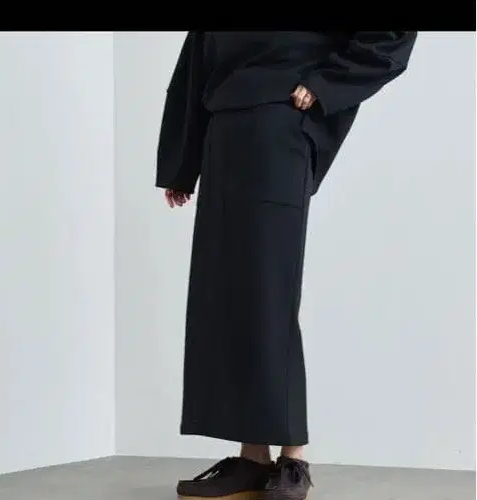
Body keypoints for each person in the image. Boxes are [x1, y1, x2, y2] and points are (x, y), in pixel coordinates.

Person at [156, 31, 417, 500]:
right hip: (223, 131)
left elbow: (392, 34)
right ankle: (252, 457)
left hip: (280, 126)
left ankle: (293, 456)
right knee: (225, 294)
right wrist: (183, 162)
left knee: (268, 291)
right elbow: (195, 60)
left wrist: (326, 84)